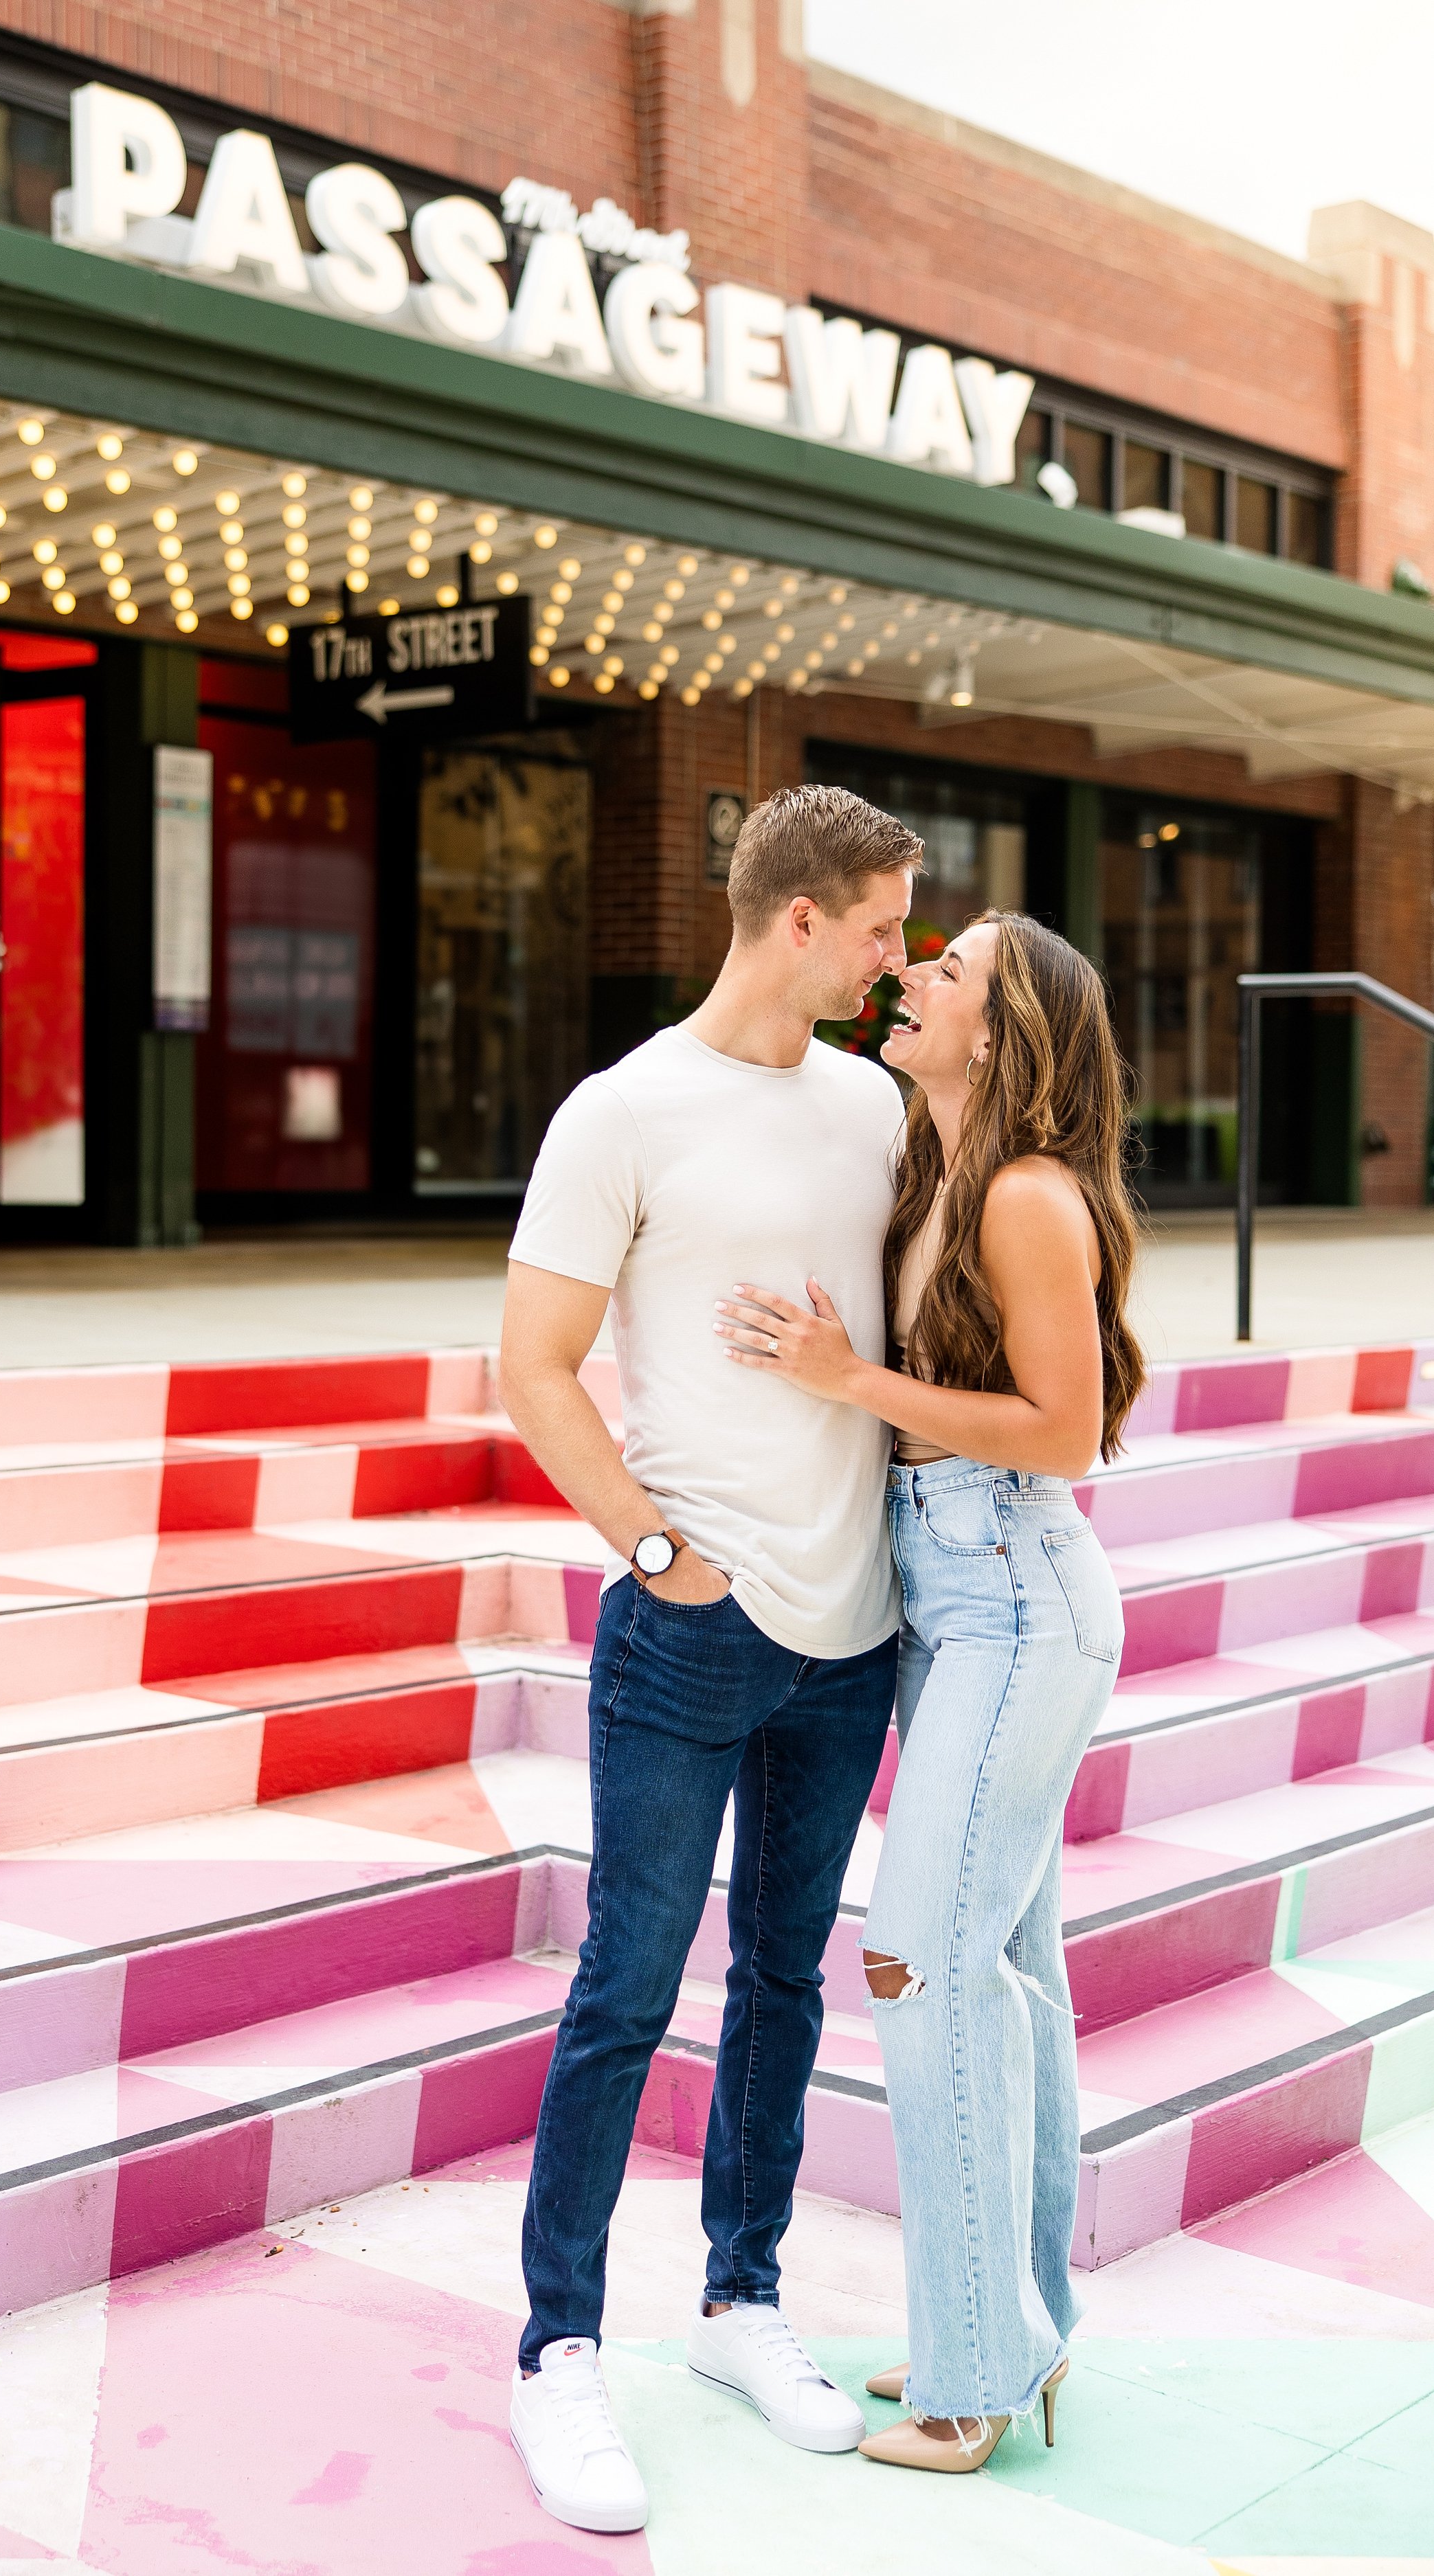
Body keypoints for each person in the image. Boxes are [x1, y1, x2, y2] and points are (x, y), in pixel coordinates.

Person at [500, 784, 922, 2535]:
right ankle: (557, 2349)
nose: (901, 961)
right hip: (695, 1623)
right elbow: (531, 1365)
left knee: (785, 1981)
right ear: (799, 923)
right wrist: (655, 1553)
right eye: (886, 927)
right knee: (623, 1987)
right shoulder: (622, 1111)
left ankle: (741, 2305)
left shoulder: (878, 1104)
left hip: (854, 1631)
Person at [715, 909, 1144, 2474]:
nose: (909, 982)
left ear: (1001, 1032)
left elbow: (1064, 1431)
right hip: (944, 1590)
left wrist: (850, 1384)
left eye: (944, 974)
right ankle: (1012, 2337)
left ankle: (973, 2376)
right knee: (1002, 1968)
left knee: (917, 1960)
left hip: (1013, 1590)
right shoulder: (930, 1170)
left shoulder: (1025, 1195)